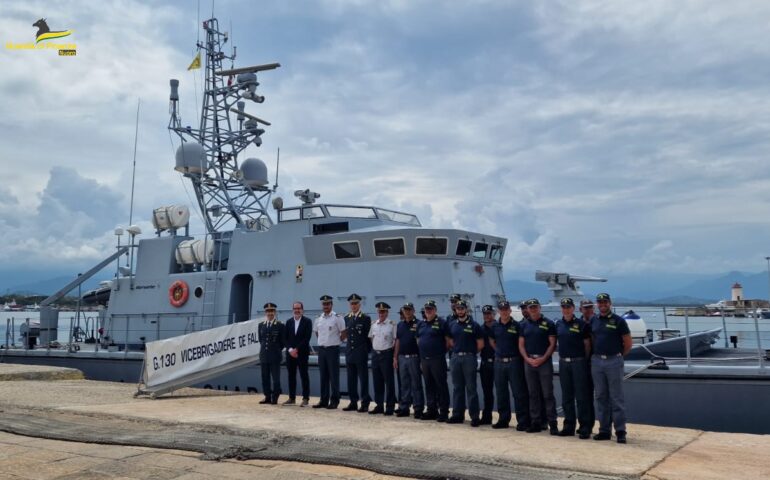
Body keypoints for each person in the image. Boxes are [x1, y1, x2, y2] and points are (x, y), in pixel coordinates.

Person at [590, 293, 633, 444]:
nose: (602, 304)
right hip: (597, 361)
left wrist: (618, 355)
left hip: (613, 361)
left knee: (616, 398)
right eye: (600, 302)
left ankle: (620, 431)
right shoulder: (593, 320)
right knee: (601, 396)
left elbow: (628, 343)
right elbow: (593, 339)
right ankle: (604, 430)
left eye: (605, 302)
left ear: (610, 303)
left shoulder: (619, 321)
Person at [518, 298, 558, 434]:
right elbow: (521, 344)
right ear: (527, 309)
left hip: (544, 362)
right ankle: (535, 422)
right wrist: (527, 359)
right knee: (533, 393)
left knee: (547, 394)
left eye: (535, 307)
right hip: (529, 362)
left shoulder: (549, 323)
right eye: (530, 307)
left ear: (539, 308)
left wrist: (543, 358)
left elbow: (552, 344)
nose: (533, 309)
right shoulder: (523, 325)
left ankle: (552, 423)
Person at [489, 300, 530, 430]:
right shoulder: (495, 326)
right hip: (499, 362)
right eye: (502, 310)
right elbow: (491, 340)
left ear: (510, 311)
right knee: (501, 392)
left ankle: (522, 421)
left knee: (518, 392)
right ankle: (503, 419)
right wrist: (499, 352)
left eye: (506, 309)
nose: (504, 312)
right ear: (498, 311)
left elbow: (521, 342)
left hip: (514, 362)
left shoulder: (517, 326)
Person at [555, 298, 593, 439]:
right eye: (563, 306)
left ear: (573, 308)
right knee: (567, 396)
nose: (566, 309)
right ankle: (568, 426)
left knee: (582, 396)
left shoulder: (581, 324)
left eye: (568, 306)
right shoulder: (558, 324)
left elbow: (587, 345)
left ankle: (584, 427)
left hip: (578, 362)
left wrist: (583, 359)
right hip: (564, 363)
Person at [446, 300, 483, 427]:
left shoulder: (474, 325)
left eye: (462, 308)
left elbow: (480, 344)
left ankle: (474, 416)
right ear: (455, 310)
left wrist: (469, 352)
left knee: (471, 388)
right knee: (457, 388)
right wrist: (457, 350)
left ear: (466, 310)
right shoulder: (452, 324)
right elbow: (449, 340)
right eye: (458, 308)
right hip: (456, 358)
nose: (460, 310)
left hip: (469, 358)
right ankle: (457, 415)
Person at [416, 300, 450, 422]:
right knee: (429, 386)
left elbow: (448, 342)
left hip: (437, 359)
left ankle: (444, 412)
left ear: (435, 310)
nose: (428, 311)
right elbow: (418, 340)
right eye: (426, 309)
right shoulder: (421, 324)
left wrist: (439, 353)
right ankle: (432, 410)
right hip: (425, 360)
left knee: (441, 386)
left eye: (430, 309)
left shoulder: (442, 323)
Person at [313, 294, 347, 409]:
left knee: (333, 376)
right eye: (324, 304)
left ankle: (334, 400)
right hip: (322, 350)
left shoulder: (337, 317)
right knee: (323, 376)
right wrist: (324, 342)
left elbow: (343, 333)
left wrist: (335, 341)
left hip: (333, 350)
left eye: (328, 304)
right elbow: (317, 332)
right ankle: (323, 399)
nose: (326, 306)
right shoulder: (318, 318)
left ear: (331, 305)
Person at [395, 302, 425, 418]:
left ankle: (418, 408)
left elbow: (420, 343)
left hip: (414, 357)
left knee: (416, 384)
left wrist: (422, 359)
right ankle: (404, 407)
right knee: (404, 384)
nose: (407, 312)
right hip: (402, 358)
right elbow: (398, 341)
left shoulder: (419, 324)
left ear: (413, 311)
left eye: (409, 310)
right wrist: (395, 357)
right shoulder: (400, 325)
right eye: (405, 310)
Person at [343, 293, 372, 413]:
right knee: (351, 379)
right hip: (350, 352)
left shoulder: (365, 318)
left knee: (363, 379)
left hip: (361, 352)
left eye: (356, 303)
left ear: (359, 304)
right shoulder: (347, 318)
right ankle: (353, 402)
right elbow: (347, 336)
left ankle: (365, 402)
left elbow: (368, 337)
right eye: (352, 304)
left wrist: (366, 351)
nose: (354, 306)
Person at [368, 302, 398, 415]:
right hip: (376, 354)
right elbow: (371, 338)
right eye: (379, 312)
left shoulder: (392, 325)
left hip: (386, 355)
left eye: (383, 311)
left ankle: (390, 406)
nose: (381, 314)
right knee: (377, 381)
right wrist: (377, 349)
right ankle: (379, 405)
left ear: (387, 312)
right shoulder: (373, 324)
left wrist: (394, 356)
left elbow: (395, 341)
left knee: (389, 381)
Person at [283, 301, 312, 406]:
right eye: (295, 308)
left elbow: (306, 338)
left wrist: (297, 349)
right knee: (291, 375)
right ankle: (292, 398)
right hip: (290, 354)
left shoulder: (307, 322)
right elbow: (285, 338)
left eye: (299, 308)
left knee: (304, 375)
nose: (297, 310)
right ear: (293, 310)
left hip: (302, 353)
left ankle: (305, 398)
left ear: (302, 310)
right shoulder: (289, 322)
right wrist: (290, 350)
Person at [258, 302, 284, 405]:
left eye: (272, 311)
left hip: (275, 356)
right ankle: (267, 396)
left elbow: (282, 342)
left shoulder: (280, 325)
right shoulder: (261, 325)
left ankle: (275, 397)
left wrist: (276, 350)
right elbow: (261, 340)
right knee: (265, 378)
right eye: (268, 311)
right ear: (265, 312)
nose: (270, 313)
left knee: (276, 378)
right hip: (264, 355)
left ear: (275, 312)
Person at [579, 299, 597, 431]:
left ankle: (605, 427)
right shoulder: (578, 323)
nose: (588, 310)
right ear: (580, 309)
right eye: (585, 308)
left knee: (603, 396)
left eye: (590, 307)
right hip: (584, 363)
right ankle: (587, 424)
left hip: (598, 362)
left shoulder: (598, 322)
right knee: (585, 396)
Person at [479, 305, 496, 425]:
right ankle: (487, 416)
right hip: (485, 363)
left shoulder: (499, 327)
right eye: (485, 314)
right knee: (487, 392)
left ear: (493, 314)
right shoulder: (480, 329)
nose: (487, 316)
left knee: (502, 391)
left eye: (489, 313)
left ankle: (503, 417)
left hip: (498, 363)